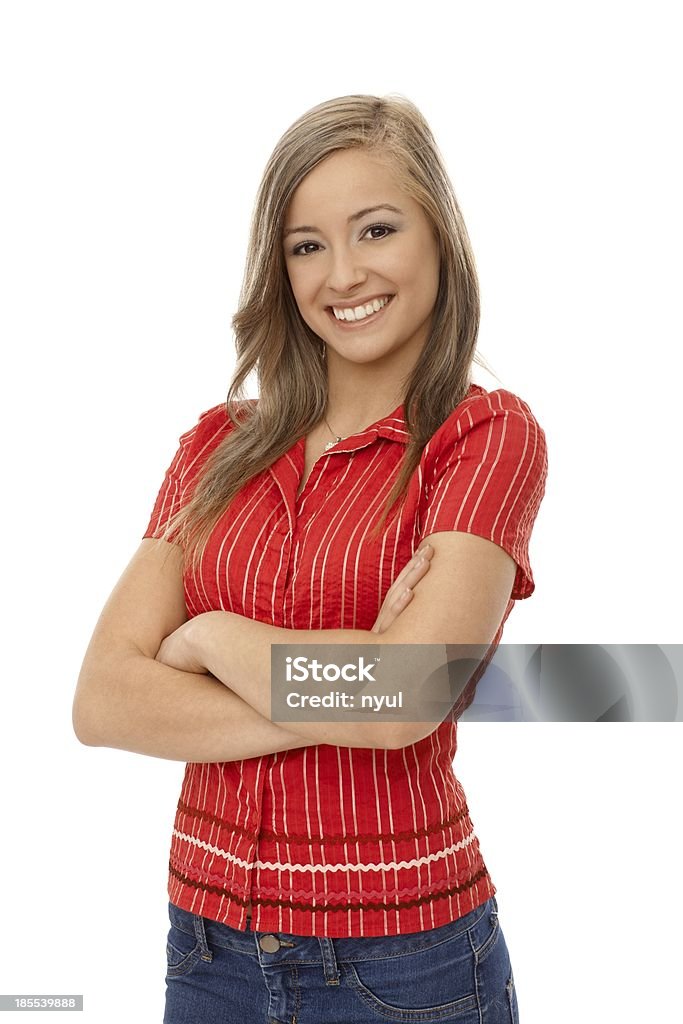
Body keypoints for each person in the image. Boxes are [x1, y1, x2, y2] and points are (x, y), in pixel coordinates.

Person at [73, 93, 547, 1023]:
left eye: (375, 229)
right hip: (206, 948)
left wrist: (210, 637)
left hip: (405, 965)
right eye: (305, 244)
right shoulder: (216, 447)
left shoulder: (482, 438)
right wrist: (358, 687)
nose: (343, 273)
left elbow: (406, 695)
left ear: (438, 240)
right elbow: (102, 701)